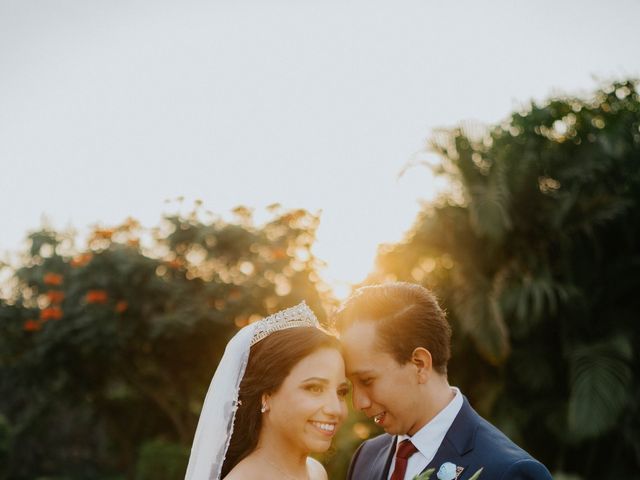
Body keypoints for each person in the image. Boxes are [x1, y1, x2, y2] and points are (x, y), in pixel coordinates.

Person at [334, 282, 552, 480]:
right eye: (351, 385)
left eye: (367, 380)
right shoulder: (366, 457)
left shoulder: (509, 471)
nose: (358, 403)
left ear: (419, 364)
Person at [185, 302, 348, 480]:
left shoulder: (316, 472)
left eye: (341, 392)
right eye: (315, 388)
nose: (335, 409)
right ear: (266, 395)